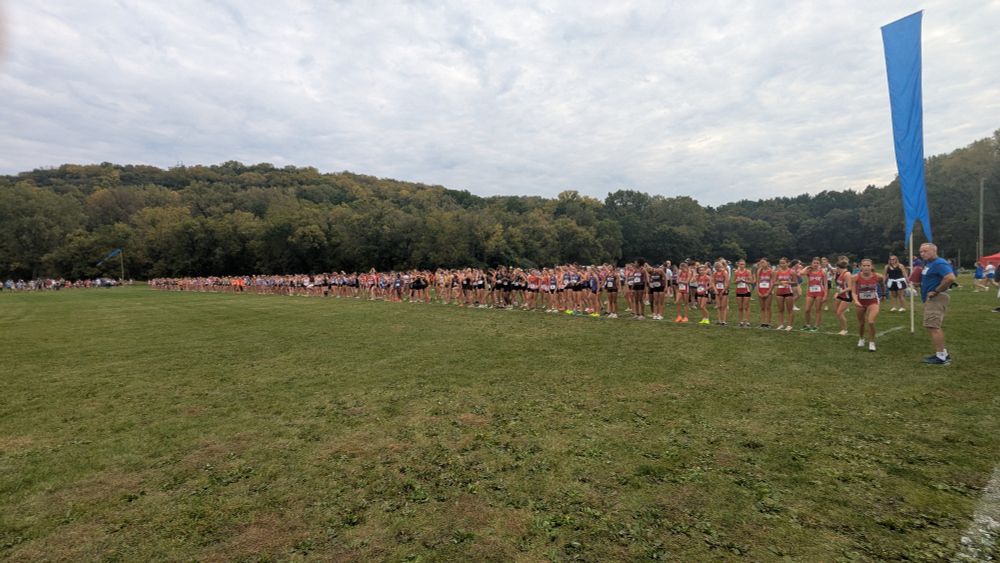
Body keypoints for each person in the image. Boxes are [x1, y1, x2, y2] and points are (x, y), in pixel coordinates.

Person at [919, 243, 956, 365]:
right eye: (921, 251)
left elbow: (950, 278)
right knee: (931, 325)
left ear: (934, 251)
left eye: (925, 251)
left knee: (933, 326)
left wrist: (936, 290)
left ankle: (941, 357)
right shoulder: (929, 264)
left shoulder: (939, 263)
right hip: (931, 299)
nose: (922, 253)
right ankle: (943, 353)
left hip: (937, 298)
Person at [851, 258, 883, 352]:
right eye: (864, 266)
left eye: (868, 265)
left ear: (872, 266)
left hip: (873, 301)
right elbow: (853, 292)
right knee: (861, 323)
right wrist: (856, 301)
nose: (866, 267)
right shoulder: (855, 277)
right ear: (860, 267)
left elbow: (882, 284)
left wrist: (884, 294)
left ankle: (872, 342)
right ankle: (861, 338)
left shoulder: (878, 276)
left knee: (871, 321)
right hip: (860, 302)